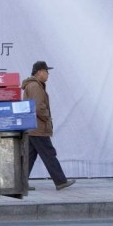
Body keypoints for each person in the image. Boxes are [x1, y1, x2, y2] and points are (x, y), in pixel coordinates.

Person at [21, 61, 76, 190]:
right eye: (46, 71)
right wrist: (47, 118)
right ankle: (61, 181)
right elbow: (38, 107)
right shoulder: (35, 86)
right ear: (39, 72)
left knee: (29, 157)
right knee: (49, 155)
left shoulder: (33, 85)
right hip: (38, 128)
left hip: (32, 128)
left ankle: (20, 184)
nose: (48, 74)